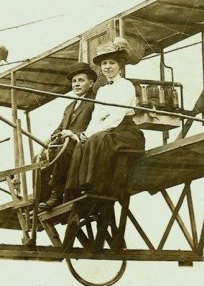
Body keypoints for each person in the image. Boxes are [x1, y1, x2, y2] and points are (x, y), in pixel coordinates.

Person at [64, 38, 145, 199]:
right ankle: (75, 188)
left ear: (120, 66)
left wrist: (90, 135)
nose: (107, 67)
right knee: (83, 143)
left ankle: (96, 185)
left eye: (111, 63)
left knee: (98, 139)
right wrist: (84, 135)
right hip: (109, 132)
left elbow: (115, 119)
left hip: (127, 133)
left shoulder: (126, 86)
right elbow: (96, 118)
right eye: (104, 64)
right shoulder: (102, 91)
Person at [37, 62, 98, 210]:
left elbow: (96, 125)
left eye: (81, 80)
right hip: (65, 144)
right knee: (39, 158)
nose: (76, 84)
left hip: (83, 144)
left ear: (90, 83)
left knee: (63, 152)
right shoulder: (69, 107)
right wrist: (51, 138)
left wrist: (74, 135)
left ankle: (56, 195)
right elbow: (60, 128)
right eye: (74, 81)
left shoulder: (95, 102)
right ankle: (41, 199)